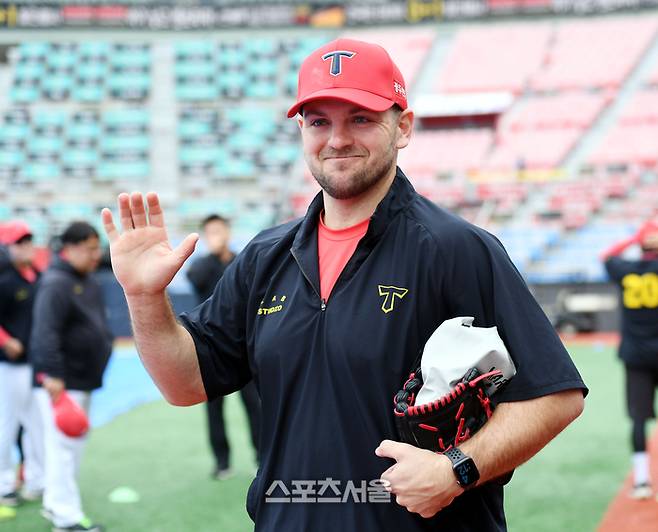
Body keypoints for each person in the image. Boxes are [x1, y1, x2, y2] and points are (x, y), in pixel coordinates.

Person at [102, 39, 586, 531]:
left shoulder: (457, 249)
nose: (337, 139)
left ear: (403, 128)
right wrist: (144, 298)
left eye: (360, 118)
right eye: (319, 121)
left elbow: (554, 395)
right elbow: (184, 384)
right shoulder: (265, 257)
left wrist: (456, 469)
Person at [31, 221, 113, 532]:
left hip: (83, 378)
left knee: (70, 447)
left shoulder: (85, 279)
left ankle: (56, 505)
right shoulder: (56, 283)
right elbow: (44, 332)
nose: (96, 255)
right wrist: (52, 374)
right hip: (62, 382)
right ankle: (65, 519)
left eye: (97, 248)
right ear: (72, 248)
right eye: (91, 249)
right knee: (63, 449)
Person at [186, 214, 261, 479]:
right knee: (214, 409)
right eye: (211, 232)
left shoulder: (243, 260)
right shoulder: (201, 265)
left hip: (245, 347)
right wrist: (213, 254)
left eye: (220, 230)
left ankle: (261, 459)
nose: (217, 235)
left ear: (228, 231)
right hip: (211, 348)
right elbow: (194, 280)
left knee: (256, 405)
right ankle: (222, 463)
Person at [602, 219, 658, 500]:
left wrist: (634, 239)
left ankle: (642, 481)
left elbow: (606, 256)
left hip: (636, 355)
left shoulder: (626, 269)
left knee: (639, 418)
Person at [0, 221, 44, 506]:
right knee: (5, 425)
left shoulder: (38, 276)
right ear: (7, 247)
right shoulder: (3, 280)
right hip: (8, 366)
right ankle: (5, 485)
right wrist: (4, 340)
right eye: (20, 242)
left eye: (29, 240)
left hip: (34, 363)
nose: (26, 246)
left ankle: (36, 480)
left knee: (37, 426)